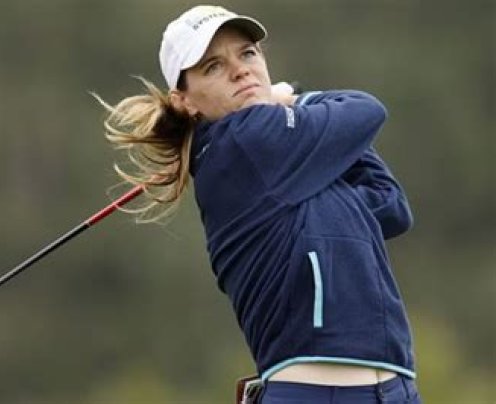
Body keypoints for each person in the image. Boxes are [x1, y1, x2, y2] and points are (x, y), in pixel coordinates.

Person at [96, 4, 421, 404]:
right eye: (214, 66)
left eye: (247, 53)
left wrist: (318, 134)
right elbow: (366, 111)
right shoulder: (242, 143)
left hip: (394, 390)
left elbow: (390, 205)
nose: (240, 71)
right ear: (184, 101)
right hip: (313, 394)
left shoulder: (287, 163)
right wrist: (296, 100)